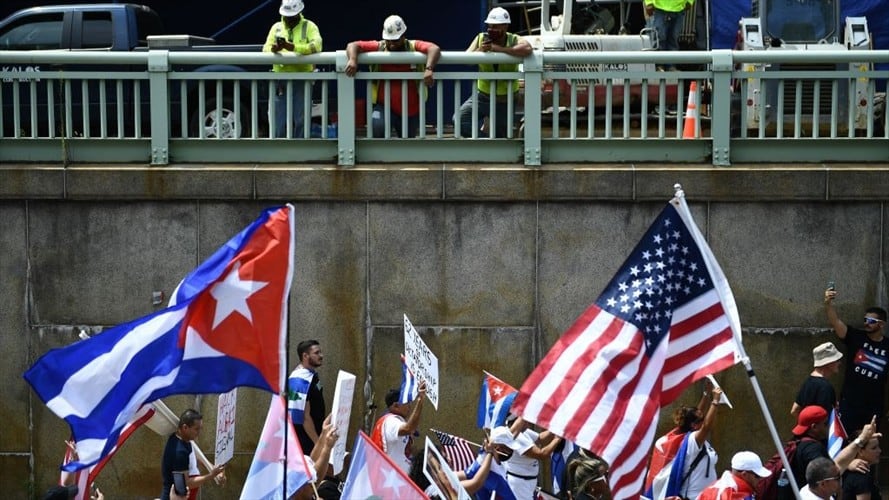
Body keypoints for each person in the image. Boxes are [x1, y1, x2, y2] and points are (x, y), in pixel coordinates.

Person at [345, 15, 441, 138]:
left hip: (411, 109)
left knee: (407, 142)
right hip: (384, 106)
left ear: (403, 35)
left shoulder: (413, 46)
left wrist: (429, 69)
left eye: (395, 40)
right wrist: (353, 60)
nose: (391, 44)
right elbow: (353, 45)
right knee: (377, 126)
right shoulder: (379, 47)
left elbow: (434, 49)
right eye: (388, 40)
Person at [454, 7, 532, 138]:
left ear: (506, 26)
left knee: (501, 135)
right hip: (483, 95)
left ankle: (499, 152)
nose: (491, 30)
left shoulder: (513, 39)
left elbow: (528, 48)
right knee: (460, 120)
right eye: (490, 26)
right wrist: (480, 50)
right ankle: (485, 143)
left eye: (496, 26)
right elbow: (466, 59)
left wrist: (499, 49)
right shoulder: (481, 38)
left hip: (505, 98)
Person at [824, 285, 889, 434]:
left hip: (873, 406)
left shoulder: (887, 346)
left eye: (871, 321)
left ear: (881, 324)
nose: (866, 323)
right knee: (843, 442)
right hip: (850, 403)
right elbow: (836, 323)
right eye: (865, 319)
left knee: (870, 444)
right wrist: (828, 303)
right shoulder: (856, 337)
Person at [644, 386, 723, 499]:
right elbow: (706, 427)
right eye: (703, 418)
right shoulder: (692, 440)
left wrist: (706, 394)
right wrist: (715, 401)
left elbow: (698, 416)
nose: (705, 418)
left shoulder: (690, 435)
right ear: (694, 425)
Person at [262, 0, 322, 138]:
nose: (288, 19)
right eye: (286, 15)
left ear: (299, 13)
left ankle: (301, 149)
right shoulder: (276, 27)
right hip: (279, 81)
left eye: (291, 16)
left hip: (302, 79)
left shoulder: (309, 27)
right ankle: (278, 149)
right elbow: (265, 49)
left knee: (301, 118)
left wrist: (293, 47)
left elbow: (316, 46)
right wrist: (274, 50)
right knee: (277, 119)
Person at [788, 406, 877, 488]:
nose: (830, 426)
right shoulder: (812, 449)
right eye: (826, 424)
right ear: (814, 427)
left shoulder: (796, 442)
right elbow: (830, 473)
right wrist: (862, 439)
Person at [160, 409, 225, 500]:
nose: (199, 432)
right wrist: (211, 475)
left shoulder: (185, 440)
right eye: (196, 429)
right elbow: (186, 483)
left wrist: (213, 468)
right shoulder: (179, 452)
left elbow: (194, 459)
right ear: (185, 427)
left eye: (200, 428)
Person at [370, 381, 427, 473]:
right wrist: (420, 400)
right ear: (396, 406)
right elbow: (408, 429)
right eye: (406, 402)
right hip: (388, 478)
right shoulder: (390, 420)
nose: (409, 406)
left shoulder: (396, 421)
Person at [505, 417, 563, 499]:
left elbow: (539, 438)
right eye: (525, 422)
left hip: (528, 481)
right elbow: (541, 454)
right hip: (521, 483)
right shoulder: (517, 437)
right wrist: (557, 439)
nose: (528, 424)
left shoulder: (520, 430)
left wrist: (556, 429)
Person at [288, 339, 326, 454]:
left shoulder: (310, 375)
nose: (321, 356)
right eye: (317, 353)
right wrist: (318, 443)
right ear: (305, 356)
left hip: (314, 436)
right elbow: (304, 417)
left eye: (320, 352)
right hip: (306, 442)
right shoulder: (300, 382)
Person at [791, 342, 843, 415]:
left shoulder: (807, 382)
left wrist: (805, 423)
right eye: (837, 360)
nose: (839, 363)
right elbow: (825, 420)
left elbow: (794, 410)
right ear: (829, 363)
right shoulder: (826, 387)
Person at [698, 451, 771, 500]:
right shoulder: (738, 496)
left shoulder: (714, 487)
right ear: (745, 475)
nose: (760, 479)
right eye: (757, 476)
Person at [643, 0, 693, 70]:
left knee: (672, 39)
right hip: (661, 7)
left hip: (675, 8)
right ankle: (660, 66)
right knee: (660, 38)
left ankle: (669, 66)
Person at [841, 429, 882, 500]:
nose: (879, 451)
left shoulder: (850, 472)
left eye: (878, 446)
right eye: (874, 448)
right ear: (860, 451)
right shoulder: (862, 477)